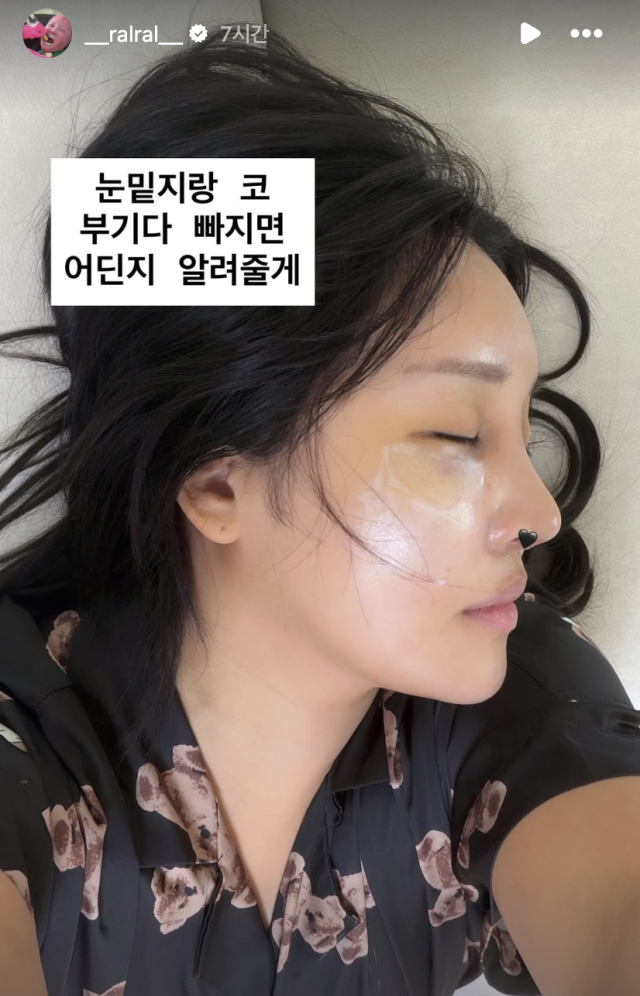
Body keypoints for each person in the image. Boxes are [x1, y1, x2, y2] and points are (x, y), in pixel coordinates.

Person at [0, 26, 639, 996]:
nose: (541, 514)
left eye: (524, 430)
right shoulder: (28, 750)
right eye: (457, 434)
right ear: (215, 484)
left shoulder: (509, 700)